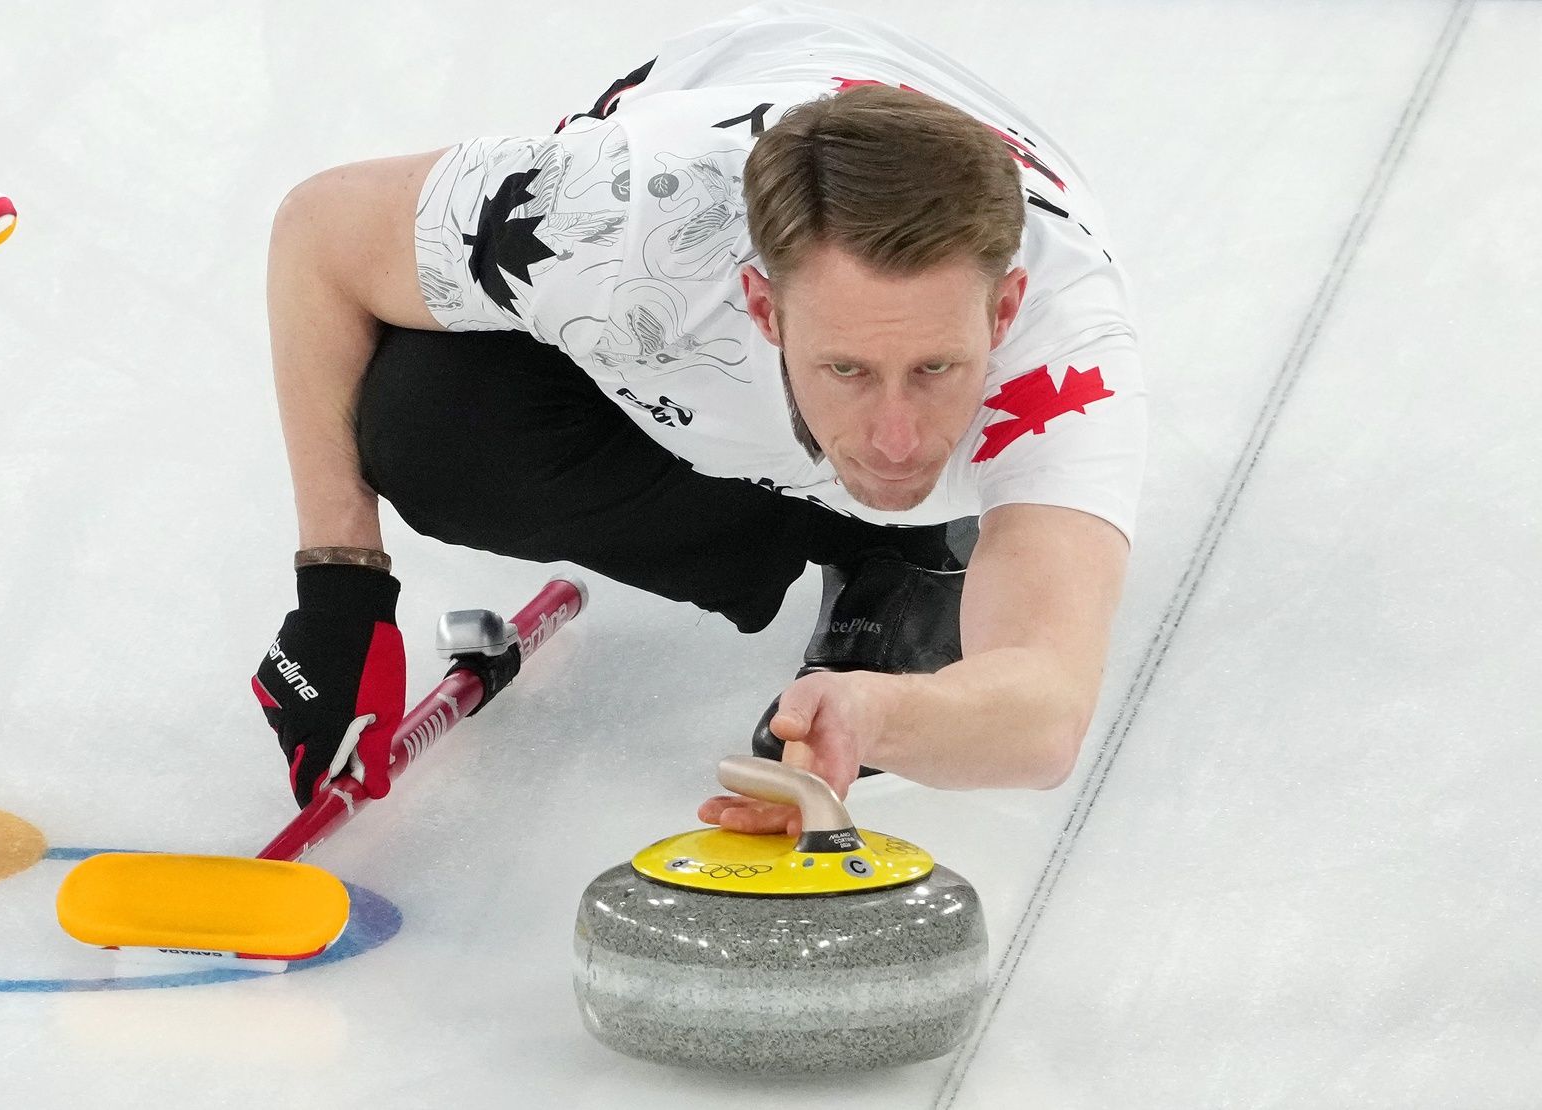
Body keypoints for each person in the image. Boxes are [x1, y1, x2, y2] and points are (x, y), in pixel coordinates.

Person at [250, 2, 1146, 839]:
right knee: (432, 423)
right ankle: (827, 527)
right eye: (846, 369)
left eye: (936, 369)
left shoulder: (1065, 352)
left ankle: (911, 544)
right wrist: (341, 591)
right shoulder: (612, 224)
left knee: (908, 479)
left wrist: (881, 713)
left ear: (1003, 312)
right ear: (764, 309)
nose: (896, 438)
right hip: (693, 182)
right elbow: (320, 235)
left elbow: (1045, 712)